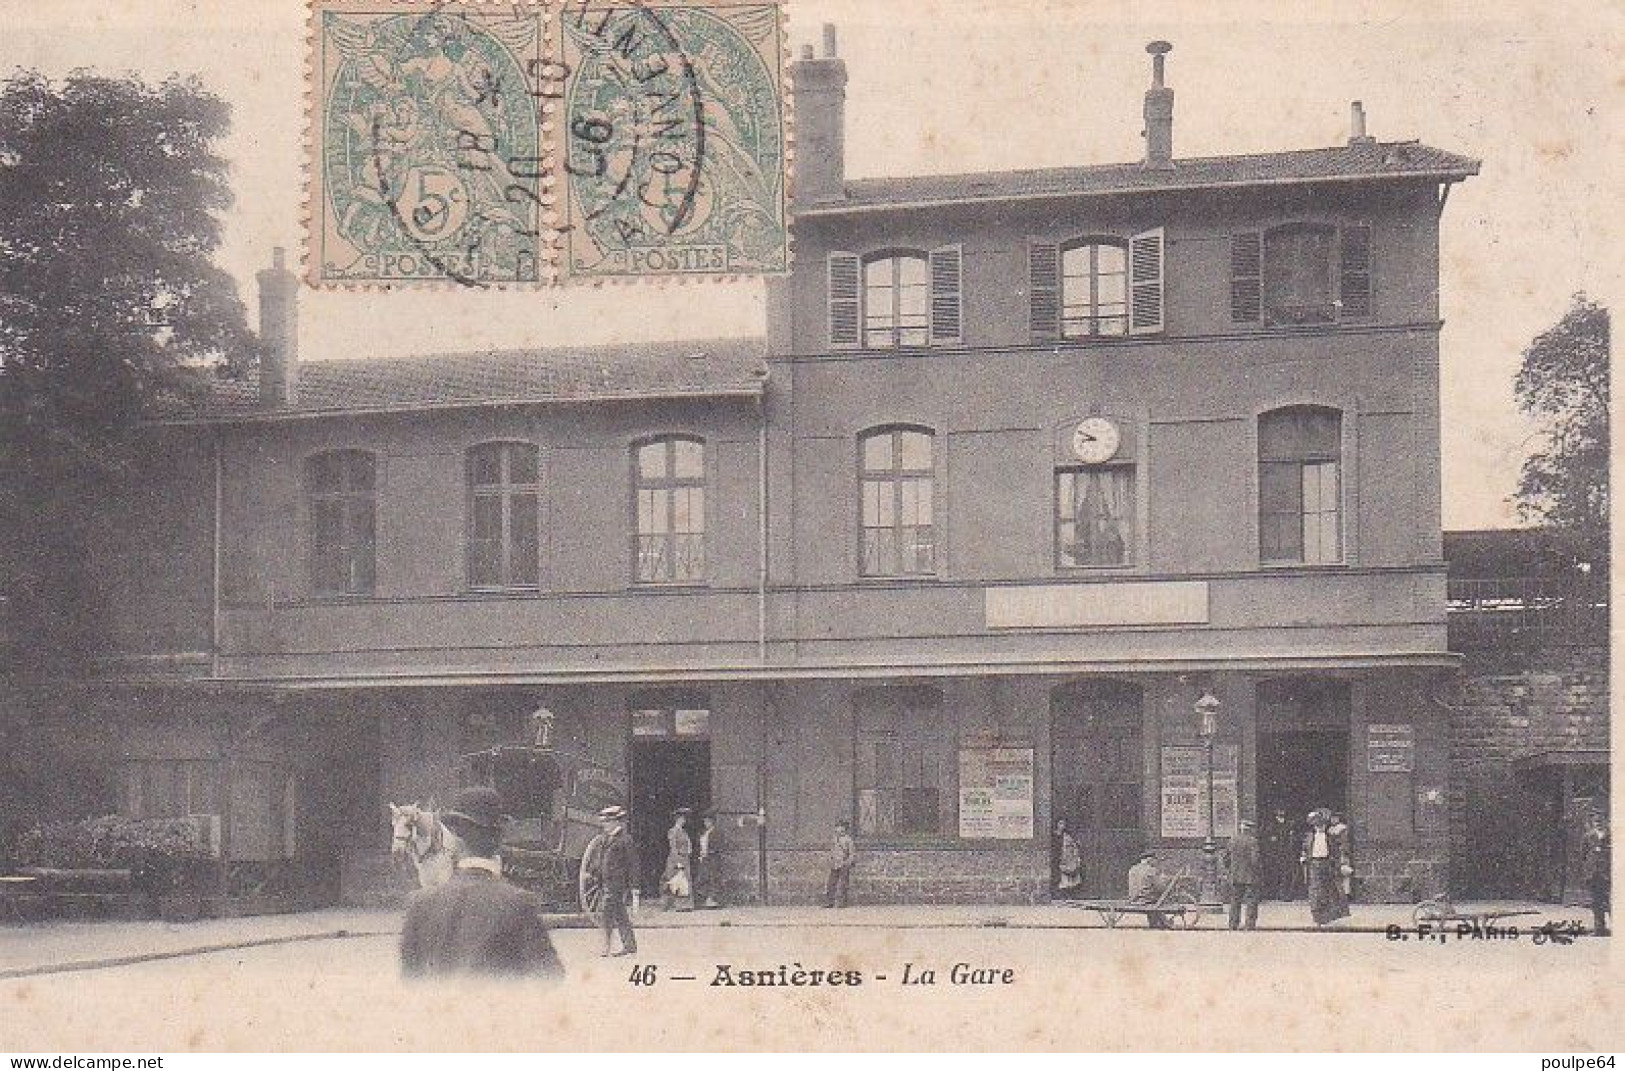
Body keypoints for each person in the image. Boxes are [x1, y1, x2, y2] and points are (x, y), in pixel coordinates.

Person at [398, 785, 563, 979]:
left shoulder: (420, 903)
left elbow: (410, 982)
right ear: (499, 839)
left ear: (456, 840)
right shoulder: (519, 904)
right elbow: (551, 978)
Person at [580, 804, 638, 957]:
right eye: (604, 822)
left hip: (616, 883)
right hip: (605, 882)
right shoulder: (605, 840)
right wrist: (591, 873)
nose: (604, 825)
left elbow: (633, 865)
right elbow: (600, 860)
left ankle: (604, 947)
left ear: (616, 822)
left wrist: (635, 886)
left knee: (606, 913)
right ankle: (630, 946)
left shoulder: (625, 840)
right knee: (620, 915)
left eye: (607, 822)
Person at [1301, 808, 1351, 926]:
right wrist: (1303, 857)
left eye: (1322, 825)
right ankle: (1317, 916)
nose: (1320, 828)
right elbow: (1304, 849)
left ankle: (1328, 916)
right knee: (1315, 890)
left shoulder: (1330, 837)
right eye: (1318, 826)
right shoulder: (1309, 838)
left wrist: (1338, 864)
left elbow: (1336, 852)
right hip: (1313, 864)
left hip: (1327, 864)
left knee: (1328, 890)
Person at [1223, 818, 1261, 930]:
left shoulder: (1232, 840)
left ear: (1241, 828)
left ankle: (1233, 924)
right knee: (1251, 901)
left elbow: (1226, 858)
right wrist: (1258, 872)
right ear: (1250, 830)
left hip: (1235, 876)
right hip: (1250, 877)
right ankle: (1249, 925)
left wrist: (1230, 869)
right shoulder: (1253, 841)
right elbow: (1255, 860)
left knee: (1235, 901)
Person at [1127, 849, 1172, 929]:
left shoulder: (1132, 869)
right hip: (1145, 900)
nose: (1155, 862)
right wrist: (1164, 882)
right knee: (1158, 899)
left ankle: (1157, 922)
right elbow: (1160, 887)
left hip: (1133, 899)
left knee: (1151, 896)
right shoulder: (1151, 870)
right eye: (1154, 859)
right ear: (1149, 859)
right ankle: (1165, 922)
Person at [1583, 811, 1610, 937]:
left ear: (1606, 821)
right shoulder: (1588, 837)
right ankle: (1599, 929)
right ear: (1592, 823)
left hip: (1608, 874)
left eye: (1601, 821)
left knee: (1610, 901)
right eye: (1596, 821)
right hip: (1594, 874)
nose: (1598, 824)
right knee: (1596, 902)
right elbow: (1584, 855)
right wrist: (1588, 872)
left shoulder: (1612, 835)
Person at [662, 807, 693, 910]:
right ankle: (673, 904)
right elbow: (673, 847)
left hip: (684, 858)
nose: (684, 821)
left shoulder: (684, 832)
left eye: (684, 819)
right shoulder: (673, 831)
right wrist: (677, 861)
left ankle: (684, 905)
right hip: (677, 859)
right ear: (677, 819)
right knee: (675, 881)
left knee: (684, 882)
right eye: (682, 819)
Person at [824, 819, 855, 908]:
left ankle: (842, 902)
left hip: (844, 864)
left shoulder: (848, 840)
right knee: (831, 883)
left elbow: (852, 853)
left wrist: (848, 862)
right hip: (835, 864)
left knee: (843, 884)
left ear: (845, 829)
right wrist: (831, 859)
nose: (839, 830)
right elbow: (832, 850)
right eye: (837, 828)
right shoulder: (834, 839)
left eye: (841, 828)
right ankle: (830, 902)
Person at [695, 812, 722, 909]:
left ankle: (712, 900)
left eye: (708, 821)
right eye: (705, 821)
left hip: (713, 858)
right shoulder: (703, 832)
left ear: (712, 822)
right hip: (704, 858)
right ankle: (705, 898)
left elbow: (718, 846)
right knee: (702, 877)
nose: (706, 823)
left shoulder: (716, 832)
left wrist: (710, 852)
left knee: (713, 877)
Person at [1328, 811, 1355, 901]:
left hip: (1341, 853)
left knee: (1344, 873)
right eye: (1332, 818)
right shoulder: (1330, 829)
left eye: (1335, 818)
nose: (1333, 820)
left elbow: (1344, 842)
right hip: (1333, 853)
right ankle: (1338, 893)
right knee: (1336, 873)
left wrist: (1343, 851)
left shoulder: (1342, 828)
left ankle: (1346, 893)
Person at [1054, 819, 1083, 898]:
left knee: (1069, 875)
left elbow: (1074, 847)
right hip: (1058, 857)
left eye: (1063, 824)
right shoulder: (1055, 835)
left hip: (1067, 858)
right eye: (1060, 823)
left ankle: (1068, 893)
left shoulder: (1068, 836)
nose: (1062, 825)